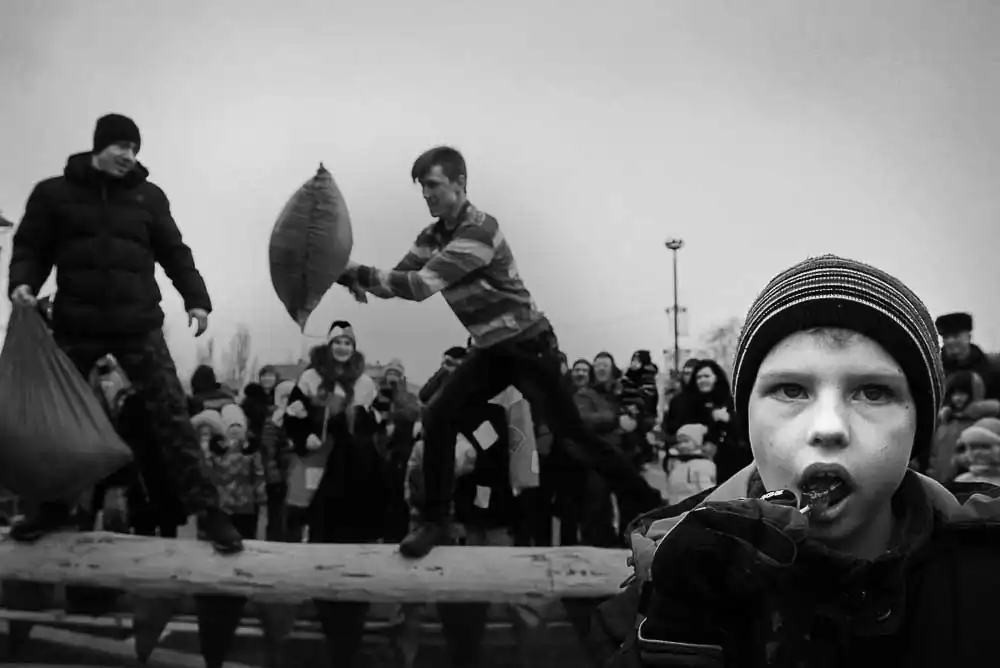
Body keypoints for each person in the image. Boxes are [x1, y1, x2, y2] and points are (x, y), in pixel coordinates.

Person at [597, 254, 1000, 667]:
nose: (828, 428)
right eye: (791, 390)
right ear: (746, 415)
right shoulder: (668, 577)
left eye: (873, 392)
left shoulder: (984, 579)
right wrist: (675, 634)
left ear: (919, 427)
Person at [338, 145, 661, 557]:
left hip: (529, 346)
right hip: (492, 350)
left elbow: (419, 286)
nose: (427, 195)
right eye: (422, 189)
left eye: (434, 185)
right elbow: (395, 282)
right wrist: (350, 278)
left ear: (460, 183)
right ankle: (436, 519)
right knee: (437, 415)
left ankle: (646, 500)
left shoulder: (480, 231)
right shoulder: (431, 238)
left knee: (572, 434)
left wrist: (354, 270)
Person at [6, 113, 242, 553]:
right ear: (100, 146)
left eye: (134, 149)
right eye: (121, 147)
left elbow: (175, 251)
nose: (128, 156)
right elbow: (31, 247)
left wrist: (197, 299)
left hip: (138, 326)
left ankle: (209, 512)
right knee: (60, 420)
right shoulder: (54, 194)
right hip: (77, 325)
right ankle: (52, 508)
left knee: (172, 416)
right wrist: (22, 283)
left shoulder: (148, 197)